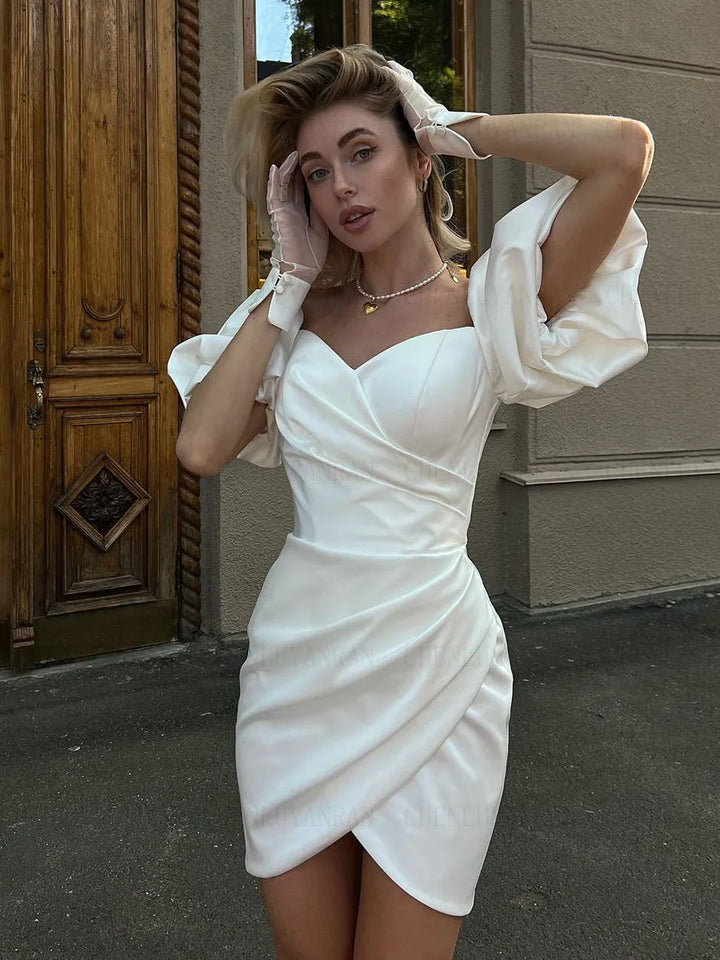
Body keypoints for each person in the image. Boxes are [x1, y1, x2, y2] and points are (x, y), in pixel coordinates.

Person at [167, 43, 652, 960]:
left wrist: (452, 125)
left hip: (437, 664)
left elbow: (623, 152)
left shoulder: (493, 301)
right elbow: (200, 446)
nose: (341, 186)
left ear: (417, 158)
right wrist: (290, 275)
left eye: (363, 151)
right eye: (315, 170)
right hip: (298, 675)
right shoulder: (292, 316)